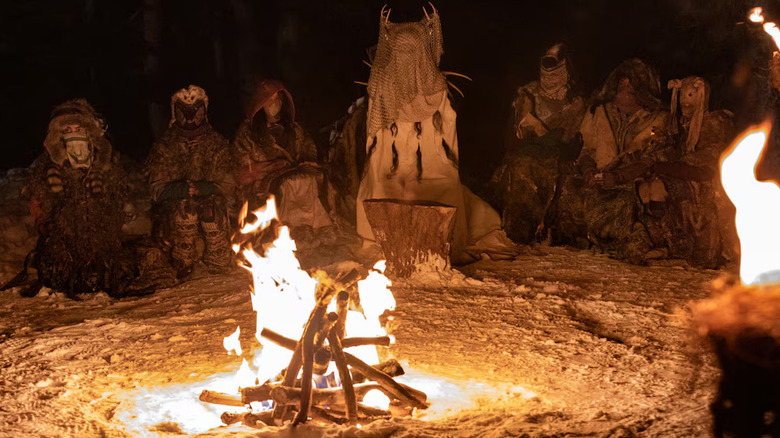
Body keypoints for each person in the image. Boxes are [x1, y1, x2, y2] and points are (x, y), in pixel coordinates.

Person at [357, 6, 516, 263]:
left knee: (443, 195)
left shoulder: (435, 89)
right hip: (389, 171)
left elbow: (448, 142)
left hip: (431, 172)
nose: (405, 58)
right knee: (378, 191)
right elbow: (375, 141)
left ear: (420, 53)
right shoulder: (382, 87)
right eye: (399, 52)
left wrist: (434, 164)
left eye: (411, 52)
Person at [553, 59, 668, 263]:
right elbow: (587, 149)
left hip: (630, 184)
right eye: (621, 86)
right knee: (570, 192)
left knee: (623, 205)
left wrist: (617, 177)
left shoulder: (657, 119)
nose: (624, 92)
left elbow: (651, 158)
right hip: (598, 179)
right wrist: (589, 170)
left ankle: (625, 240)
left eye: (631, 88)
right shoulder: (601, 112)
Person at [233, 79, 346, 262]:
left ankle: (315, 233)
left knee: (309, 180)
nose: (275, 103)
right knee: (290, 184)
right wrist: (270, 167)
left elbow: (309, 152)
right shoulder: (249, 134)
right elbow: (242, 169)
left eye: (278, 99)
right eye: (270, 99)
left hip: (297, 174)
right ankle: (287, 234)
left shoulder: (294, 130)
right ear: (260, 104)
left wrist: (303, 164)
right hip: (264, 185)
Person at [25, 99, 128, 296]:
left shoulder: (106, 164)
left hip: (101, 238)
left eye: (78, 128)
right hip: (64, 240)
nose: (74, 134)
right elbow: (39, 206)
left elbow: (117, 202)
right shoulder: (47, 167)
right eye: (67, 130)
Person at [635, 76, 737, 267]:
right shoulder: (682, 126)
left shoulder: (714, 123)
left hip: (705, 180)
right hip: (684, 173)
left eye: (690, 95)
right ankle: (659, 241)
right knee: (645, 188)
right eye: (682, 95)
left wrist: (674, 164)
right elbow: (676, 152)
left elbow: (709, 158)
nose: (684, 101)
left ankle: (680, 247)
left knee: (659, 188)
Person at [490, 43, 586, 243]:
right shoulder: (527, 95)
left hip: (560, 170)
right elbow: (512, 142)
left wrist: (540, 130)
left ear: (566, 65)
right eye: (546, 58)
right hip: (526, 165)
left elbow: (571, 149)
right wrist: (543, 136)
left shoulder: (576, 105)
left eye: (555, 59)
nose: (548, 65)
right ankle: (519, 234)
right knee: (522, 173)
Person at [144, 85, 235, 277]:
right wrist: (183, 191)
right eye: (184, 112)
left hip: (211, 210)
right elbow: (156, 190)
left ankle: (217, 260)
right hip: (175, 214)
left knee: (213, 207)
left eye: (196, 111)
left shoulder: (217, 144)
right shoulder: (164, 146)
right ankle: (183, 260)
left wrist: (202, 189)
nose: (191, 118)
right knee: (185, 210)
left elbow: (228, 185)